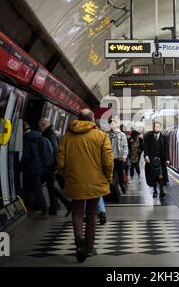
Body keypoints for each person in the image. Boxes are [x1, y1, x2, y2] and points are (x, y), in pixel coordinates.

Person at [57, 109, 114, 262]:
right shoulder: (101, 136)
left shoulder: (67, 137)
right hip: (95, 182)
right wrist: (108, 177)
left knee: (77, 213)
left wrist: (66, 175)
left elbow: (60, 161)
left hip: (75, 181)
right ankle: (89, 248)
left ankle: (79, 241)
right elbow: (108, 161)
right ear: (92, 119)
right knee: (92, 214)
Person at [38, 118, 72, 217]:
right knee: (50, 186)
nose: (39, 129)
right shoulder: (55, 132)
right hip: (54, 165)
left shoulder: (49, 134)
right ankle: (53, 208)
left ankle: (67, 204)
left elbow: (55, 150)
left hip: (51, 166)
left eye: (40, 126)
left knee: (51, 187)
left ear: (43, 124)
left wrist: (54, 166)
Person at [20, 121, 48, 219]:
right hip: (38, 166)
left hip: (30, 168)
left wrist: (20, 166)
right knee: (31, 189)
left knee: (35, 190)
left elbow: (26, 155)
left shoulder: (26, 139)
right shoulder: (37, 136)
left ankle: (44, 210)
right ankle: (28, 208)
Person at [143, 122, 170, 198]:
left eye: (158, 127)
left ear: (160, 128)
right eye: (155, 127)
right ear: (153, 127)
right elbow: (145, 147)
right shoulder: (148, 136)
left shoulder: (164, 137)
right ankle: (155, 191)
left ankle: (161, 191)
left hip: (161, 160)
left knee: (161, 176)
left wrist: (167, 159)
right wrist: (146, 156)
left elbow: (166, 149)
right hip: (151, 160)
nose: (156, 128)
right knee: (153, 176)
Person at [108, 120, 129, 194]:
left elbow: (125, 146)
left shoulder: (122, 134)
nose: (111, 125)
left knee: (120, 173)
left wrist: (124, 156)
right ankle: (114, 189)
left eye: (113, 124)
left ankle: (122, 185)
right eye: (110, 124)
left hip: (119, 158)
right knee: (112, 174)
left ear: (116, 125)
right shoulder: (108, 134)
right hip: (110, 158)